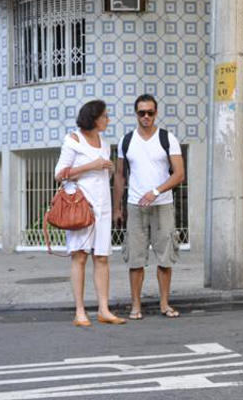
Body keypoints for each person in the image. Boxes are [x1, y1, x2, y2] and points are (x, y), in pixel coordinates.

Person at [113, 94, 185, 320]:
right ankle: (136, 306)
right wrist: (117, 208)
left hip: (162, 205)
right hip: (135, 206)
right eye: (141, 112)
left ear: (156, 113)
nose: (146, 117)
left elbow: (180, 174)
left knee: (164, 258)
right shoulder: (126, 141)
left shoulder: (167, 138)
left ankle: (165, 304)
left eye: (150, 113)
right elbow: (119, 176)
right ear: (136, 114)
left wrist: (156, 191)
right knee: (135, 259)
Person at [54, 99, 125, 327]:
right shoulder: (73, 140)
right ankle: (80, 311)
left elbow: (101, 173)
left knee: (102, 257)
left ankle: (104, 309)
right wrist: (90, 166)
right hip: (80, 206)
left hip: (102, 206)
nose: (108, 119)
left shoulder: (104, 142)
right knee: (80, 257)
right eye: (105, 116)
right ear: (94, 118)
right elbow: (59, 174)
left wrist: (109, 169)